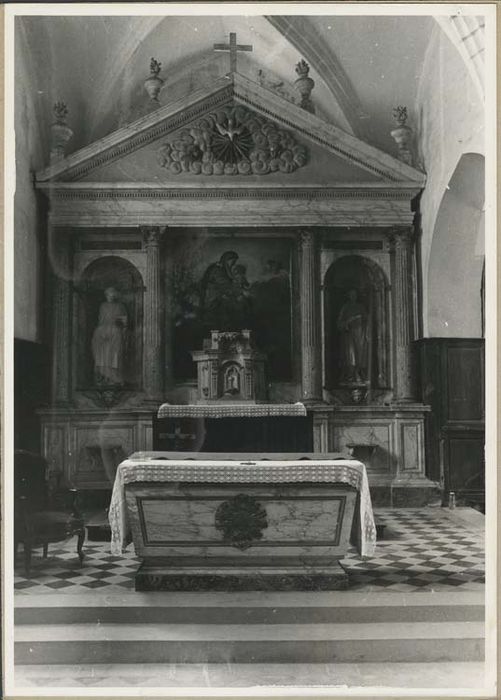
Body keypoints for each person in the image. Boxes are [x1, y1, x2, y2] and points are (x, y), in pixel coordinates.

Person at [91, 287, 128, 386]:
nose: (110, 296)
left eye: (112, 294)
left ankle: (114, 378)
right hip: (103, 332)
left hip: (115, 332)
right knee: (101, 353)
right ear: (106, 295)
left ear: (115, 295)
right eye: (108, 294)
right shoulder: (103, 306)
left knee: (115, 355)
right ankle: (103, 377)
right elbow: (100, 320)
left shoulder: (120, 306)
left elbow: (123, 323)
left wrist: (123, 333)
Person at [337, 288, 369, 383]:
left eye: (355, 294)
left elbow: (367, 320)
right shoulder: (345, 308)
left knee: (361, 354)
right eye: (351, 294)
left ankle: (359, 372)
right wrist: (348, 322)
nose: (353, 296)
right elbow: (339, 323)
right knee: (351, 354)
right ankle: (351, 374)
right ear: (348, 296)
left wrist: (367, 331)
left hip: (360, 333)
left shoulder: (361, 307)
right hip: (349, 334)